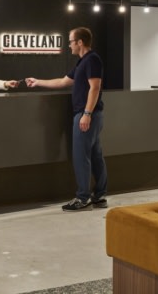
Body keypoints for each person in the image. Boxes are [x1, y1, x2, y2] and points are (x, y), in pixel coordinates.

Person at [25, 27, 108, 212]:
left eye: (70, 41)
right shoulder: (82, 62)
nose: (69, 45)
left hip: (87, 115)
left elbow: (95, 87)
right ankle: (99, 196)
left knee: (81, 157)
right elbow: (63, 82)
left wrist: (86, 114)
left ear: (80, 42)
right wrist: (38, 82)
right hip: (90, 115)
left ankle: (83, 198)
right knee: (95, 155)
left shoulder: (92, 59)